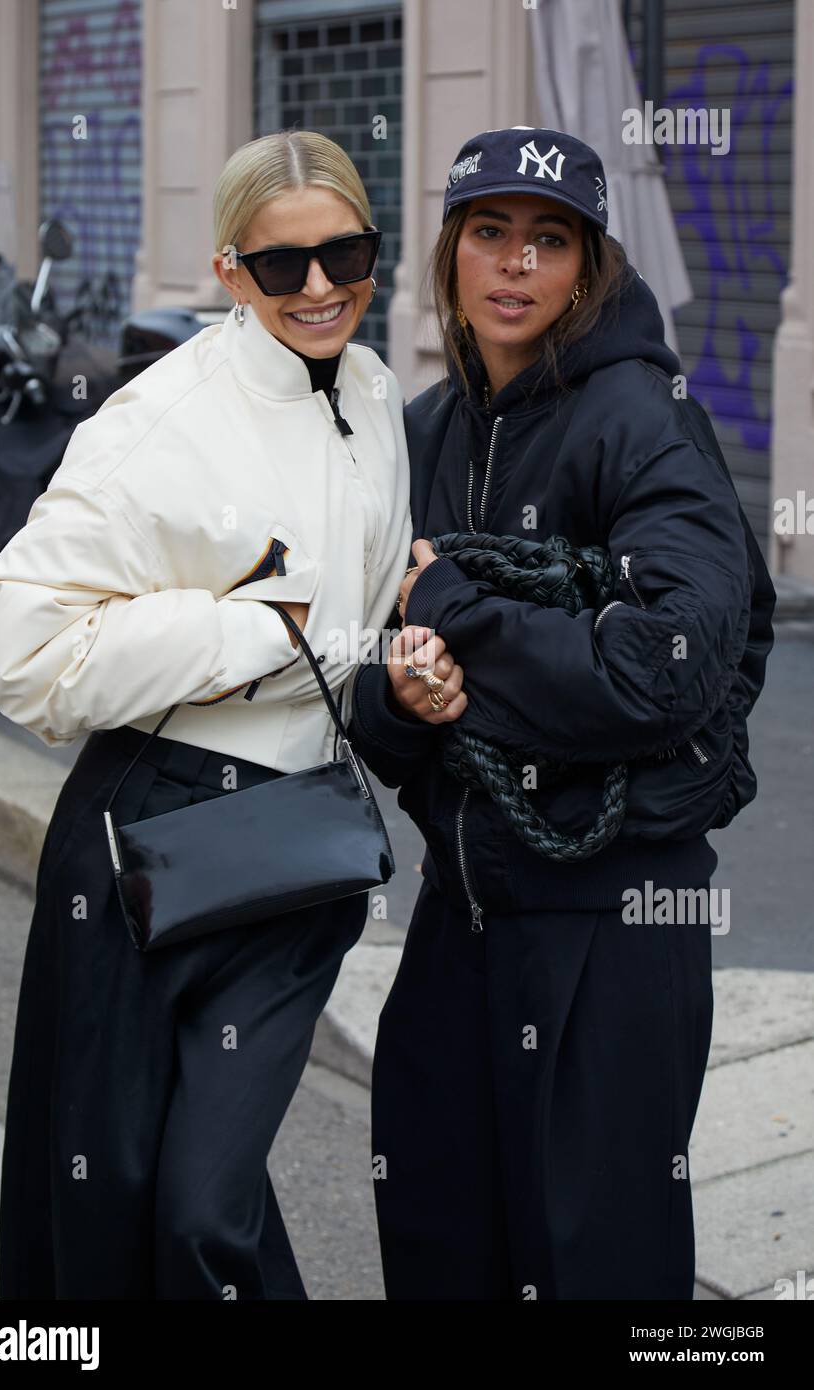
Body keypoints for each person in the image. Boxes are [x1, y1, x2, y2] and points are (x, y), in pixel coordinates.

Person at [0, 129, 412, 1300]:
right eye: (282, 267)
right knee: (112, 1196)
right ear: (228, 272)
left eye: (347, 253)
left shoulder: (371, 394)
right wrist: (253, 631)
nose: (321, 288)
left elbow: (357, 624)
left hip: (301, 849)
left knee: (203, 1203)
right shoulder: (155, 425)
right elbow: (19, 644)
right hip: (148, 843)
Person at [347, 126, 776, 1301]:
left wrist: (457, 611)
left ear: (586, 267)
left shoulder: (638, 413)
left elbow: (673, 665)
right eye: (489, 232)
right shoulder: (422, 432)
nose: (515, 264)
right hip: (463, 910)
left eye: (548, 239)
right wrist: (399, 690)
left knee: (600, 1263)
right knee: (437, 1232)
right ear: (451, 253)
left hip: (613, 919)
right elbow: (368, 700)